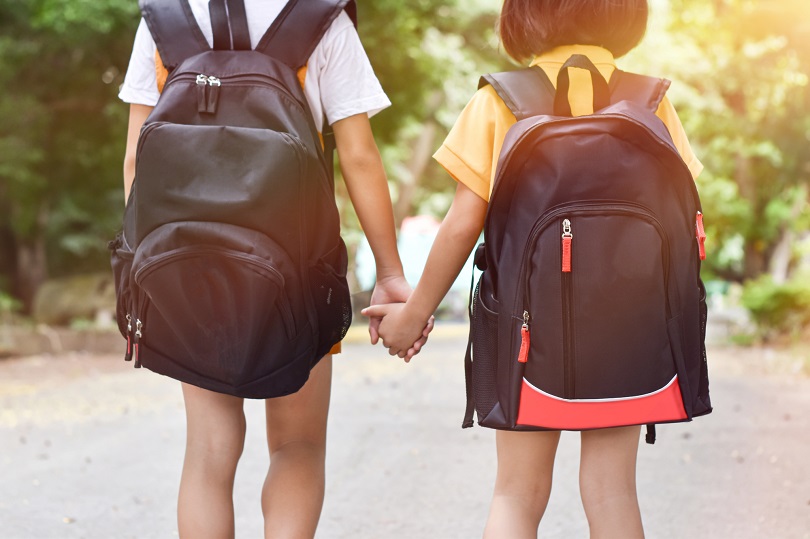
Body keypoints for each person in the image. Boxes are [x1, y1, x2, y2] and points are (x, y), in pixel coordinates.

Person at [362, 0, 703, 537]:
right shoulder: (651, 101)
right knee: (613, 493)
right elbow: (685, 221)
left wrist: (413, 315)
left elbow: (460, 225)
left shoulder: (500, 100)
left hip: (527, 333)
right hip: (628, 330)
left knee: (517, 494)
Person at [119, 1, 431, 537]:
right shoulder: (321, 17)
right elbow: (358, 156)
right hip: (299, 268)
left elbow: (136, 158)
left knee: (208, 451)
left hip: (186, 267)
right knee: (297, 445)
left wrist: (146, 268)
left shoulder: (164, 18)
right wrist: (389, 270)